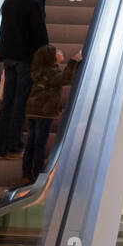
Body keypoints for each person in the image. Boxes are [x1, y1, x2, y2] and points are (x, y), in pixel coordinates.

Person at [0, 0, 48, 160]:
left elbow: (4, 30)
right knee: (19, 102)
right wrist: (46, 56)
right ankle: (14, 147)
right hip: (26, 59)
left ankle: (0, 148)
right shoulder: (33, 3)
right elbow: (39, 34)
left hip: (8, 58)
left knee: (7, 102)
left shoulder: (9, 1)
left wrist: (2, 54)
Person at [22, 44, 82, 185]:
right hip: (43, 112)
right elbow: (65, 79)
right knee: (39, 144)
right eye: (58, 52)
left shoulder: (40, 71)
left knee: (31, 143)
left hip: (32, 111)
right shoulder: (50, 72)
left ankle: (26, 173)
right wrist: (74, 61)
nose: (61, 52)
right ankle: (35, 175)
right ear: (51, 58)